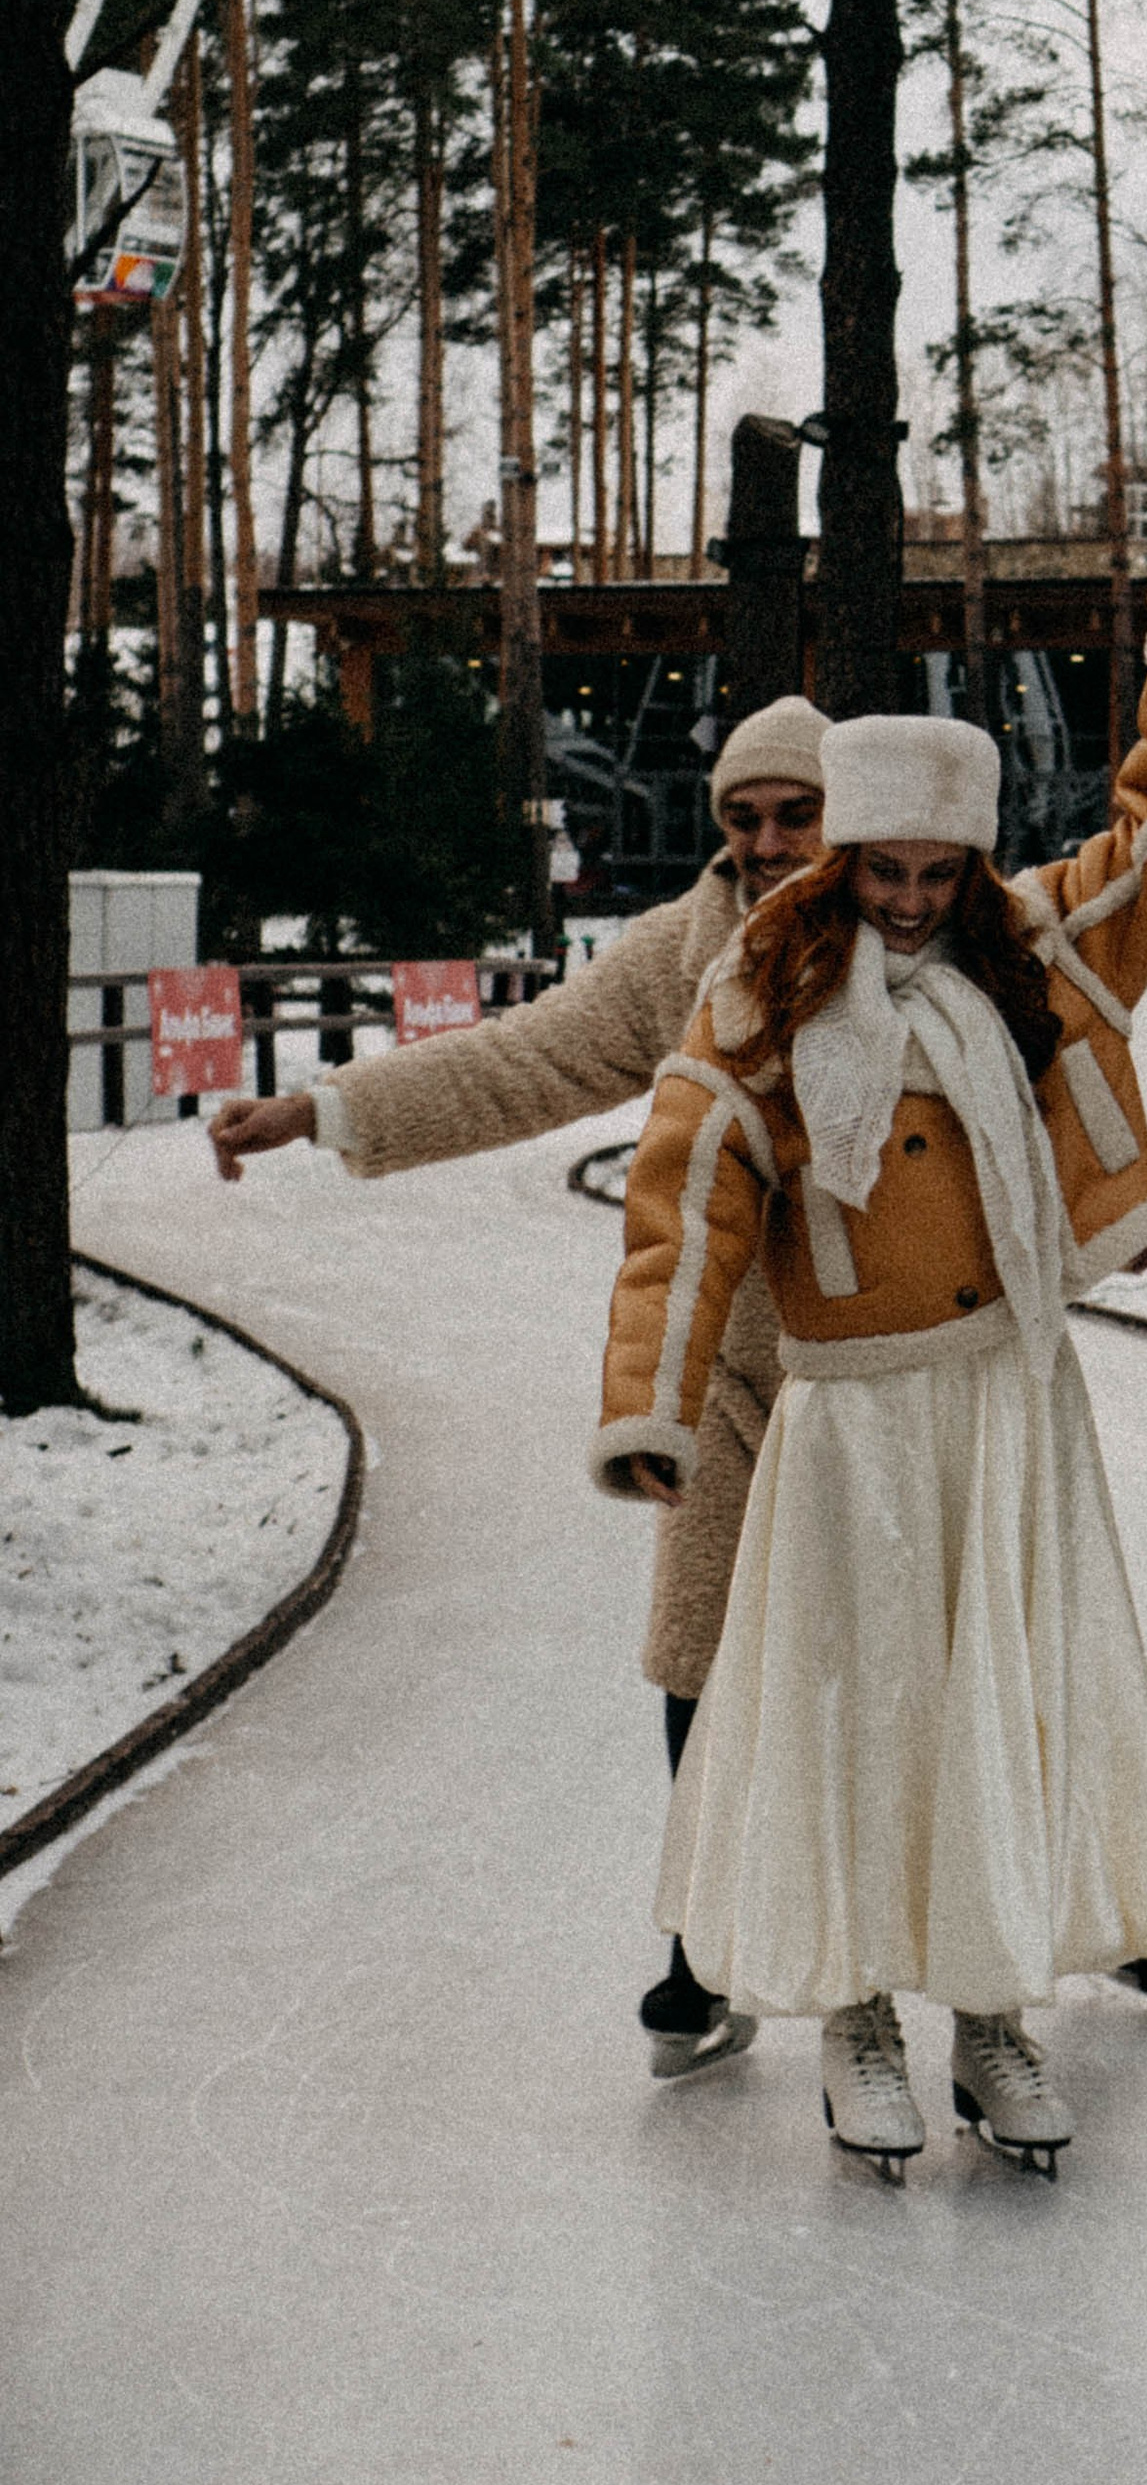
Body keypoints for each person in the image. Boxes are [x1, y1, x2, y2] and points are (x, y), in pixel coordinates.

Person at [594, 533, 1147, 2181]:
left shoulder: (1027, 955)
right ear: (838, 863)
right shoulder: (759, 998)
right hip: (856, 1424)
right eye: (878, 871)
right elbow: (682, 1203)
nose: (905, 902)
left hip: (1009, 1402)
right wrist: (652, 1411)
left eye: (932, 875)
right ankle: (860, 2020)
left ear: (969, 865)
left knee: (997, 1712)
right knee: (865, 1718)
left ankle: (988, 2012)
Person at [200, 701, 839, 2073]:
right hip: (728, 1358)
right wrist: (323, 1109)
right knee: (697, 1642)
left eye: (799, 814)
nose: (770, 842)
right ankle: (705, 1940)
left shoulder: (915, 938)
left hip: (885, 1363)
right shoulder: (680, 953)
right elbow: (526, 1060)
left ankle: (1077, 1909)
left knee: (955, 1645)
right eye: (745, 818)